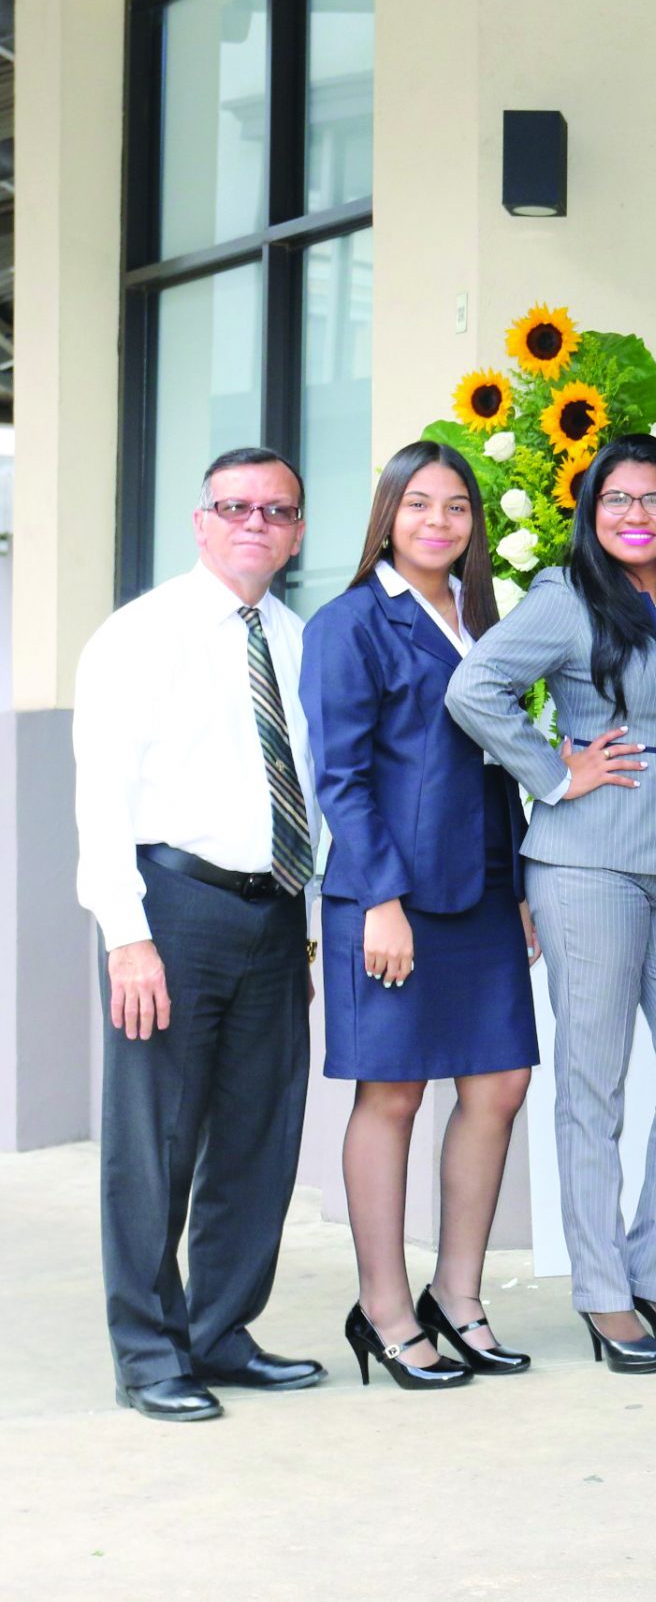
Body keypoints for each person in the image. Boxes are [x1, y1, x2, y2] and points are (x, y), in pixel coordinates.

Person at [447, 435, 656, 1374]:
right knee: (593, 1082)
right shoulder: (568, 599)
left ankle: (655, 1272)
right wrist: (552, 774)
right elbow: (473, 686)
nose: (636, 514)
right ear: (591, 510)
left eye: (654, 498)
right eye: (617, 498)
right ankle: (605, 1294)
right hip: (588, 865)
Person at [76, 447, 327, 1421]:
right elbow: (102, 792)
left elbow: (307, 781)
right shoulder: (140, 635)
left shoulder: (297, 638)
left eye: (276, 510)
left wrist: (314, 904)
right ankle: (148, 1352)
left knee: (259, 1133)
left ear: (298, 530)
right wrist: (125, 935)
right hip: (172, 907)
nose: (255, 523)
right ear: (200, 521)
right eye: (236, 507)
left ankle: (221, 1331)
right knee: (157, 1139)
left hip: (274, 911)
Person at [301, 442, 539, 1390]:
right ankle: (386, 1309)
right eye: (420, 505)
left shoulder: (483, 618)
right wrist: (380, 900)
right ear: (389, 514)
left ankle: (460, 1294)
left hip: (481, 886)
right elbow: (342, 777)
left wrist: (518, 884)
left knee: (500, 1083)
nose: (439, 522)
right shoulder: (350, 622)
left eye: (457, 508)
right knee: (392, 1094)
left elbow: (497, 757)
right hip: (388, 894)